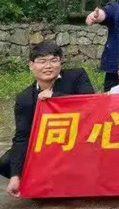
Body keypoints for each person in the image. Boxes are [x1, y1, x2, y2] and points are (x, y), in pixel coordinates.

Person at [1, 41, 94, 197]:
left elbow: (89, 103)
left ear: (60, 62)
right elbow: (22, 136)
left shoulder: (77, 76)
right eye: (42, 61)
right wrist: (15, 174)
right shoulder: (25, 98)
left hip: (78, 141)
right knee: (6, 163)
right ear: (31, 65)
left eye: (53, 60)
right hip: (46, 145)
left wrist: (56, 98)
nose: (48, 66)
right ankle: (37, 181)